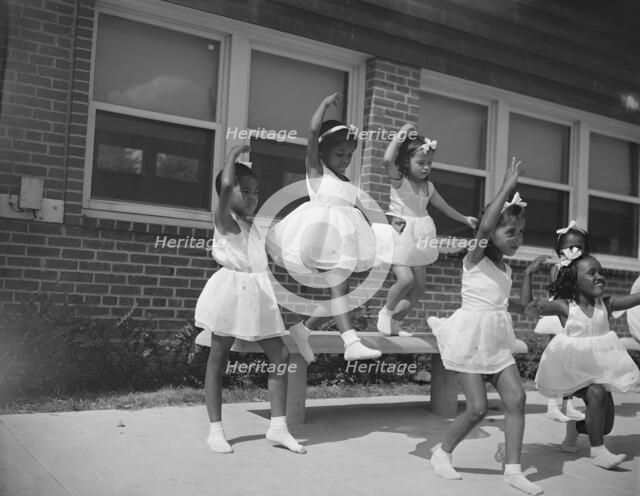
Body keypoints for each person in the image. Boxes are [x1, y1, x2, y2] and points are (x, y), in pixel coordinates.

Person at [427, 158, 543, 495]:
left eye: (521, 233)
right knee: (477, 408)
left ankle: (513, 470)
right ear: (491, 231)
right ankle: (442, 452)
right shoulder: (474, 256)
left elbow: (516, 305)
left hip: (495, 339)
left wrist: (531, 275)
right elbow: (483, 227)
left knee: (517, 399)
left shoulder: (505, 270)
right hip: (469, 337)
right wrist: (507, 185)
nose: (517, 238)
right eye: (510, 231)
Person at [194, 145, 305, 454]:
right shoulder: (225, 220)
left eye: (256, 191)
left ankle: (278, 427)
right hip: (230, 292)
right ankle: (216, 430)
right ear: (228, 195)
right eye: (246, 191)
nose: (253, 196)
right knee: (218, 359)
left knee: (280, 357)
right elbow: (226, 185)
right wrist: (231, 156)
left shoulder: (254, 225)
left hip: (258, 294)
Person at [267, 93, 381, 363]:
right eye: (340, 153)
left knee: (340, 289)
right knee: (339, 286)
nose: (345, 159)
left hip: (341, 241)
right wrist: (323, 106)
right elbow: (312, 132)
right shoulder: (317, 171)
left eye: (350, 155)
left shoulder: (346, 181)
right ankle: (350, 341)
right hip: (319, 235)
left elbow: (359, 207)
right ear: (323, 152)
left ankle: (303, 330)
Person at [524, 251, 640, 469]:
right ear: (574, 282)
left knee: (605, 426)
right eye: (592, 273)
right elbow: (529, 307)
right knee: (596, 393)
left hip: (597, 370)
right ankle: (599, 453)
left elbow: (636, 298)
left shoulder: (606, 304)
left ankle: (576, 429)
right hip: (570, 370)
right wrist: (529, 273)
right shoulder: (565, 307)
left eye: (601, 272)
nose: (599, 277)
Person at [373, 123, 477, 336]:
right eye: (420, 162)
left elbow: (445, 208)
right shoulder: (399, 181)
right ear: (405, 162)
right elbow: (386, 159)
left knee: (419, 288)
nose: (426, 167)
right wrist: (403, 132)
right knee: (406, 280)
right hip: (401, 235)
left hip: (420, 237)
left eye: (429, 163)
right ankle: (385, 312)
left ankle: (395, 322)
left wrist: (465, 219)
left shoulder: (429, 187)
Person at [524, 222, 589, 423]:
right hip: (560, 315)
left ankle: (568, 403)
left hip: (574, 316)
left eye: (580, 247)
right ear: (560, 250)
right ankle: (553, 405)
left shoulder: (581, 267)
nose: (575, 251)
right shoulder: (558, 268)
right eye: (570, 247)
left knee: (571, 363)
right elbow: (560, 293)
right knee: (558, 361)